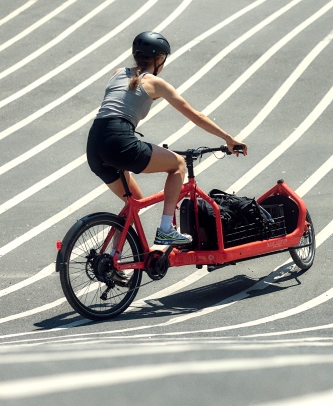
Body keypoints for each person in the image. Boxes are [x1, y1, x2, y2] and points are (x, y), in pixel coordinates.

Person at [86, 31, 247, 246]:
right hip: (119, 141)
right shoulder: (154, 83)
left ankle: (113, 258)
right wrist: (229, 138)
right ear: (160, 59)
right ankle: (165, 229)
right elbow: (196, 116)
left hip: (95, 144)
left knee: (133, 199)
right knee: (178, 164)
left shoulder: (118, 73)